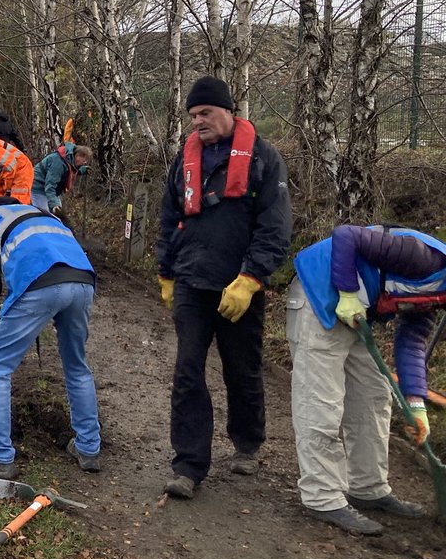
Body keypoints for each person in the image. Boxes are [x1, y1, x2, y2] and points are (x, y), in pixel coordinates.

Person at [156, 75, 291, 500]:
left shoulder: (264, 160)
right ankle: (189, 465)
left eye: (206, 113)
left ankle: (247, 444)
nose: (198, 122)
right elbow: (168, 217)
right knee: (187, 372)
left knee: (242, 370)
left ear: (228, 111)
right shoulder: (185, 160)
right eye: (193, 115)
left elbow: (275, 226)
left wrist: (252, 278)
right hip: (192, 284)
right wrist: (166, 271)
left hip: (239, 288)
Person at [287, 224, 445, 534]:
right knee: (322, 401)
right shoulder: (424, 258)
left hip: (359, 311)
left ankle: (368, 488)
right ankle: (323, 498)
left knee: (374, 396)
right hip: (320, 294)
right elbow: (347, 235)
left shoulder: (437, 293)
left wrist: (416, 404)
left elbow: (412, 341)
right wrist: (347, 292)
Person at [0, 197, 101, 479]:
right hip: (83, 281)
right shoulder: (42, 215)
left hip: (41, 282)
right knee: (76, 366)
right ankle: (88, 448)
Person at [30, 142, 93, 217]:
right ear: (78, 156)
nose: (84, 163)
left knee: (58, 214)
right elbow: (50, 186)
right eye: (83, 161)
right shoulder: (58, 163)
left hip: (49, 189)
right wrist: (54, 205)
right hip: (37, 187)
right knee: (44, 216)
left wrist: (82, 170)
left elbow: (70, 170)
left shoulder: (69, 159)